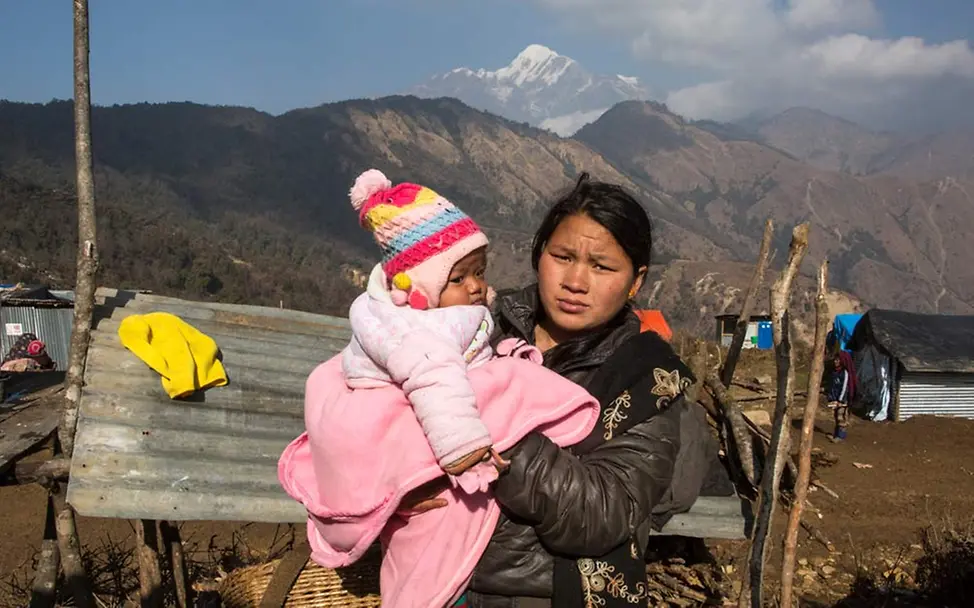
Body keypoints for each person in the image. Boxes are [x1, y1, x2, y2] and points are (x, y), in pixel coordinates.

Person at [404, 173, 720, 608]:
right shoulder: (476, 323)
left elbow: (603, 513)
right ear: (539, 255)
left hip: (542, 591)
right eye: (563, 256)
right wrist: (395, 487)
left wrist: (491, 432)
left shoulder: (646, 378)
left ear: (635, 280)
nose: (576, 280)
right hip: (427, 570)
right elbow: (390, 407)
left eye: (602, 266)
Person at [828, 353, 853, 441]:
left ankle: (841, 436)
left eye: (838, 360)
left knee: (840, 416)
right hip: (835, 398)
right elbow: (833, 386)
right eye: (835, 360)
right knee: (835, 416)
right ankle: (836, 434)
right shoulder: (834, 372)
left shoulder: (844, 373)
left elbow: (844, 387)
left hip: (842, 399)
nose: (835, 362)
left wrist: (840, 400)